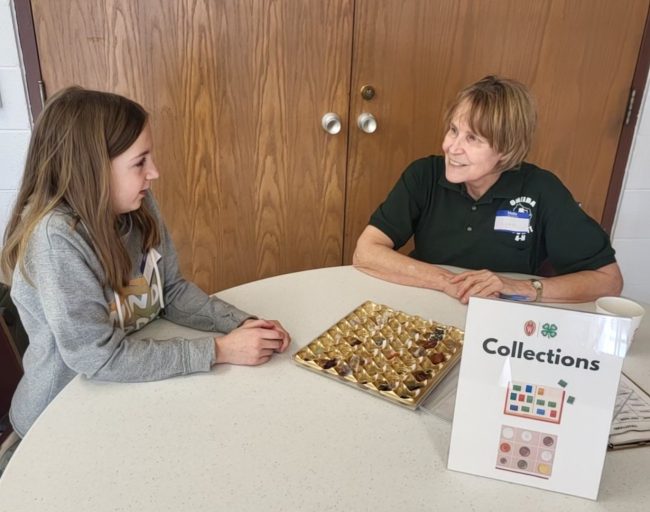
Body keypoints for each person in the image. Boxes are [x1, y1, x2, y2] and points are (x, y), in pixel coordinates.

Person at [0, 87, 291, 437]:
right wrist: (218, 350)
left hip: (122, 393)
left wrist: (244, 325)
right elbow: (98, 358)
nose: (154, 172)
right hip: (58, 421)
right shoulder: (55, 241)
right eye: (140, 162)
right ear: (92, 169)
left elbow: (171, 290)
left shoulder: (137, 207)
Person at [353, 75, 623, 304]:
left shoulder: (542, 189)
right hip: (429, 302)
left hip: (503, 318)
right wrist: (449, 282)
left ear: (506, 150)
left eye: (472, 138)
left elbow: (608, 281)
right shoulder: (424, 174)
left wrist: (523, 287)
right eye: (453, 130)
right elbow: (366, 252)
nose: (452, 147)